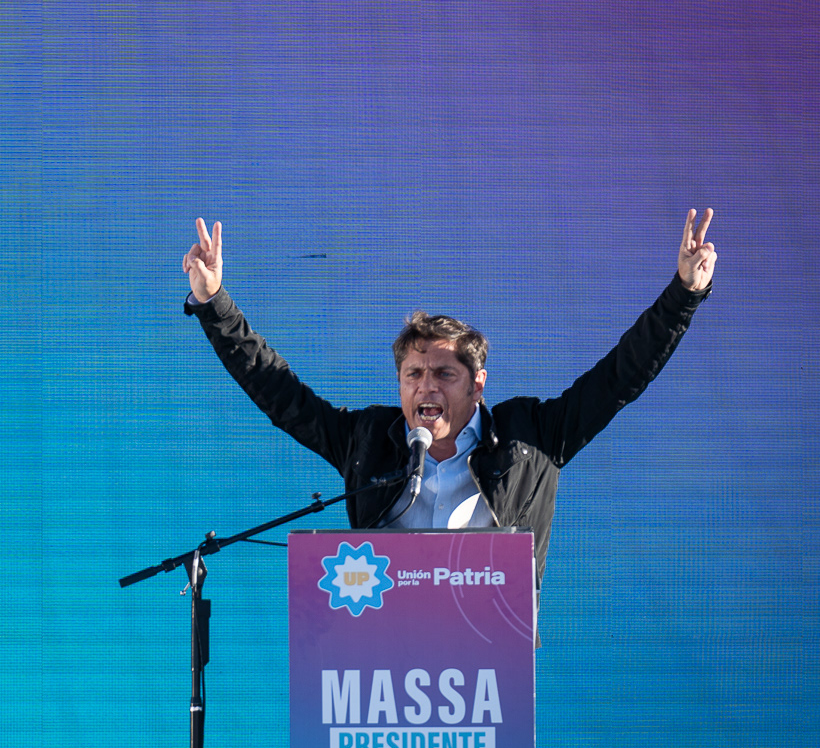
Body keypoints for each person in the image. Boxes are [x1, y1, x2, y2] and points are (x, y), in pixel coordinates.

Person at [181, 210, 717, 637]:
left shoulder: (530, 437)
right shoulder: (369, 441)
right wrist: (214, 303)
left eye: (443, 373)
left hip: (484, 674)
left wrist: (683, 296)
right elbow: (279, 392)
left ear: (477, 383)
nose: (425, 386)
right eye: (413, 374)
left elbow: (618, 378)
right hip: (376, 666)